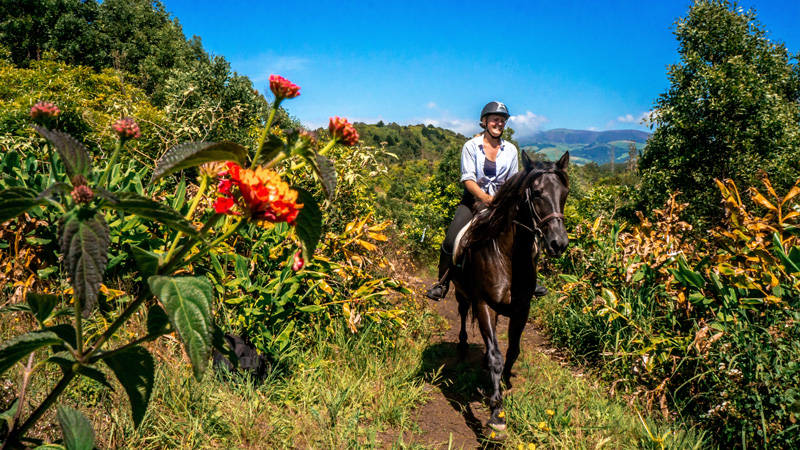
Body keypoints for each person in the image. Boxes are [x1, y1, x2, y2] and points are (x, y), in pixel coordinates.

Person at [425, 101, 548, 300]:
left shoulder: (511, 150)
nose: (499, 124)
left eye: (502, 121)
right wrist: (486, 198)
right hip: (473, 201)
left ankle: (530, 279)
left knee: (528, 235)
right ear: (484, 122)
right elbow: (468, 179)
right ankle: (442, 283)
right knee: (451, 240)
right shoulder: (470, 146)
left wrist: (505, 200)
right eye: (495, 120)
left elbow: (512, 180)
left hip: (503, 203)